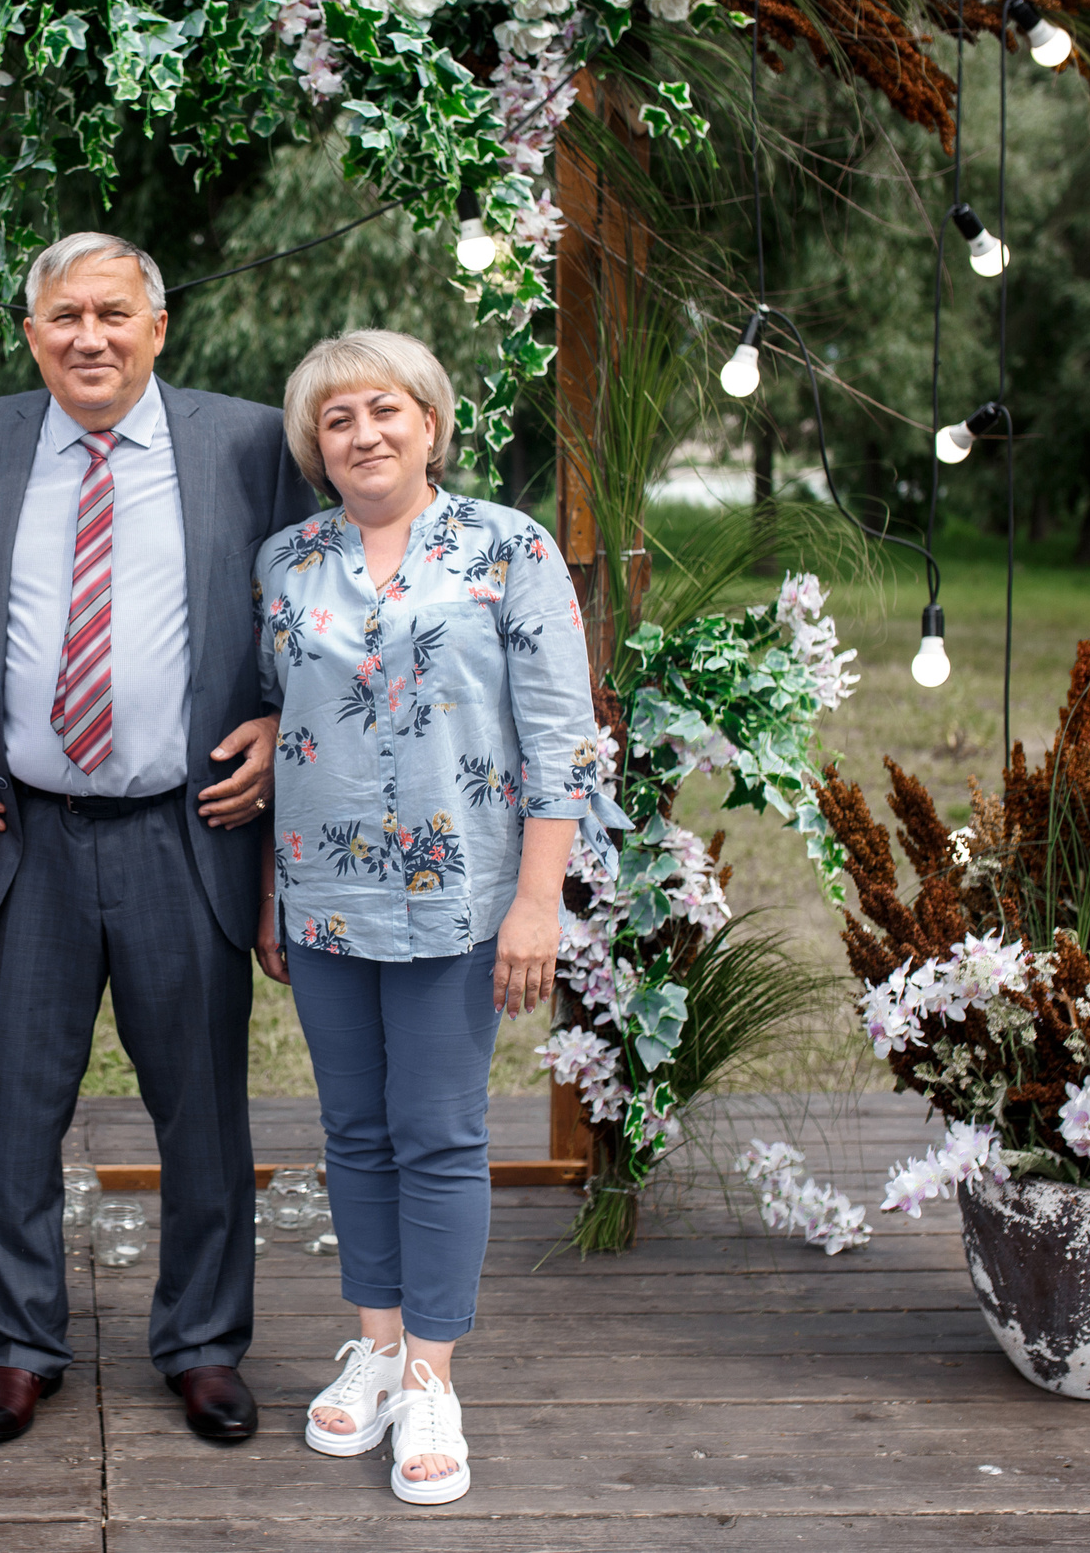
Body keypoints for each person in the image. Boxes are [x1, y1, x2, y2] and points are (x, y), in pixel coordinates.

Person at [0, 232, 318, 1446]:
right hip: (18, 833)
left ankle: (200, 1344)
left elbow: (315, 597)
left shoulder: (247, 443)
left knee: (202, 1111)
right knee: (11, 1113)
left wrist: (278, 712)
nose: (89, 336)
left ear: (157, 326)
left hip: (184, 830)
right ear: (29, 335)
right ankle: (19, 1347)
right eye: (63, 317)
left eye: (112, 313)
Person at [251, 330, 626, 1506]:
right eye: (336, 420)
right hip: (322, 889)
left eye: (383, 410)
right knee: (352, 1133)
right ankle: (373, 1342)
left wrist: (536, 903)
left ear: (429, 422)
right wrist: (272, 887)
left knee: (441, 1133)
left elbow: (563, 738)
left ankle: (433, 1374)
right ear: (316, 445)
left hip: (462, 900)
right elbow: (281, 728)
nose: (362, 434)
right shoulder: (285, 562)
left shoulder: (506, 549)